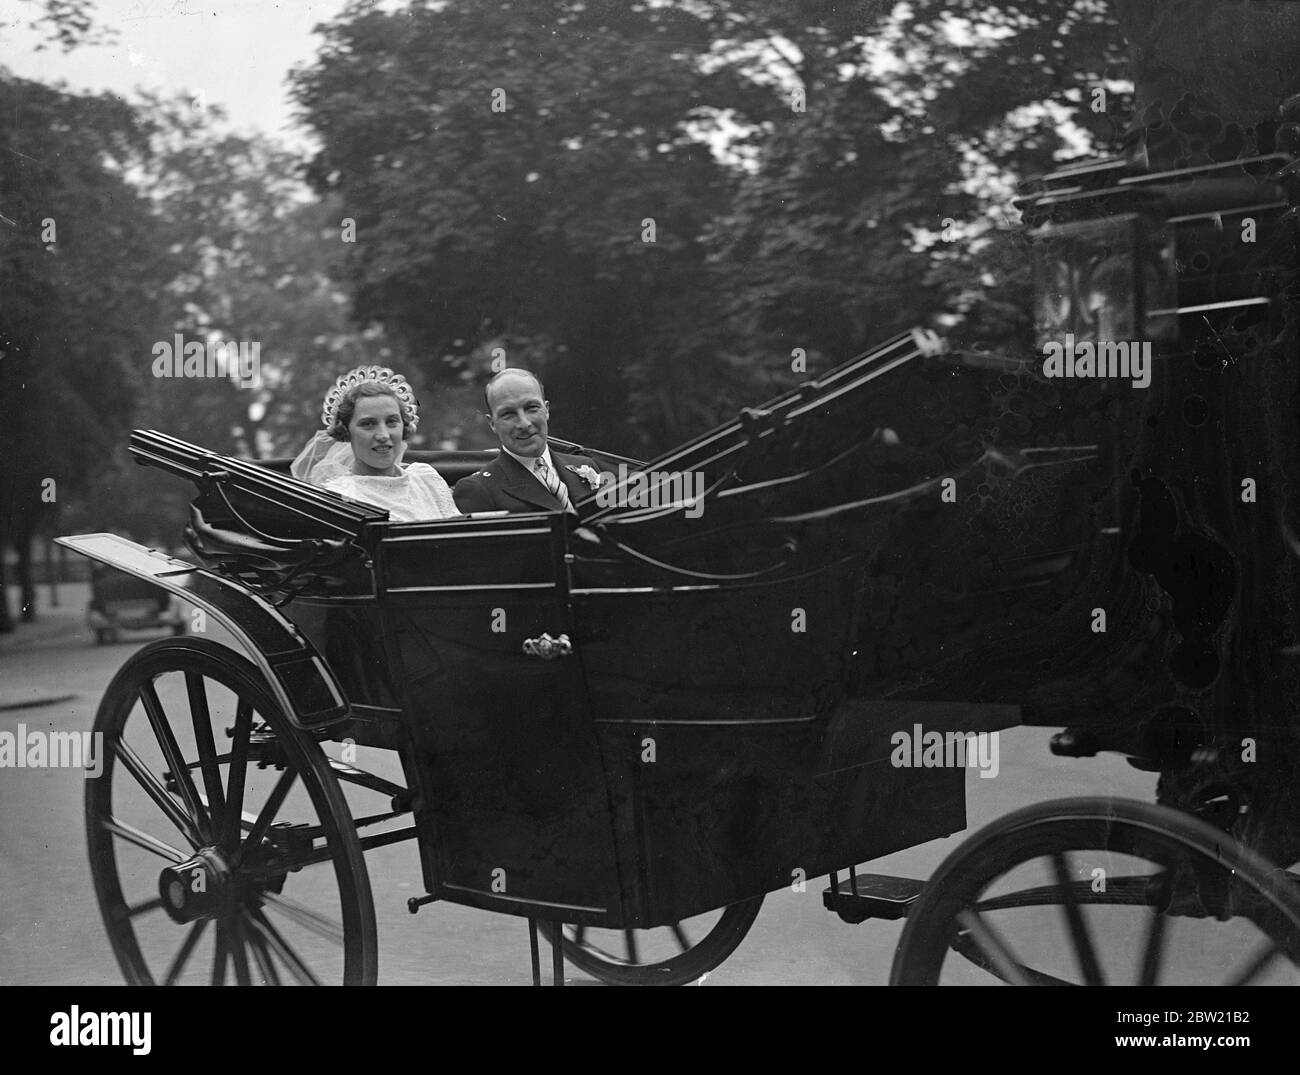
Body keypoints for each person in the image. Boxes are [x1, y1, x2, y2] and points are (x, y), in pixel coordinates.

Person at [291, 365, 459, 523]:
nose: (383, 435)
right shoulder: (342, 495)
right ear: (346, 431)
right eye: (368, 424)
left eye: (392, 421)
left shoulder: (425, 478)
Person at [452, 368, 603, 515]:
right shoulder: (478, 490)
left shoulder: (585, 466)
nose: (524, 424)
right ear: (492, 423)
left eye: (531, 407)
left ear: (547, 409)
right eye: (508, 414)